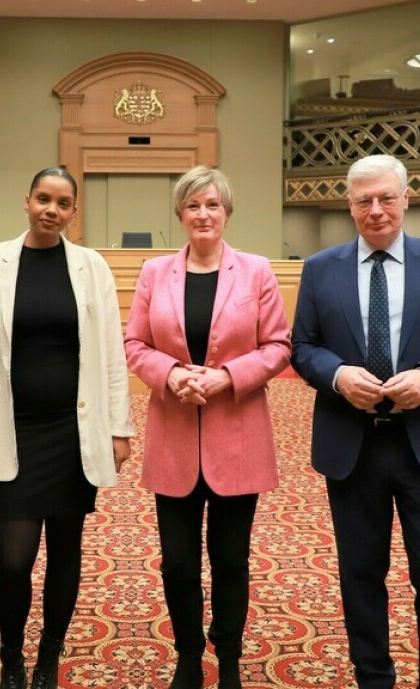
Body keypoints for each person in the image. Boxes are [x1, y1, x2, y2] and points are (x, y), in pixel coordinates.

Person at [290, 154, 420, 689]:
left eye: (385, 198)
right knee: (360, 575)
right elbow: (302, 348)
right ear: (349, 206)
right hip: (352, 445)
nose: (375, 210)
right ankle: (373, 679)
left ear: (406, 199)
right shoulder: (319, 268)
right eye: (363, 201)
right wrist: (336, 376)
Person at [0, 167, 134, 689]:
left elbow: (110, 355)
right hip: (14, 429)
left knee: (66, 549)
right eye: (42, 199)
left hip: (72, 430)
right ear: (26, 201)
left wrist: (118, 427)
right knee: (15, 558)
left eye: (62, 203)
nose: (51, 210)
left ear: (74, 212)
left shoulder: (91, 267)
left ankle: (48, 658)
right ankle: (11, 656)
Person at [124, 166, 291, 689]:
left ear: (227, 212)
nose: (204, 214)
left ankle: (231, 660)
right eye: (194, 205)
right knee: (177, 564)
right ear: (180, 213)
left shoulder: (257, 270)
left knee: (231, 560)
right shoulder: (155, 272)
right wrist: (171, 374)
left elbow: (278, 346)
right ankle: (189, 657)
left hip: (237, 435)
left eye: (213, 205)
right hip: (173, 436)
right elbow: (135, 345)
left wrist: (225, 378)